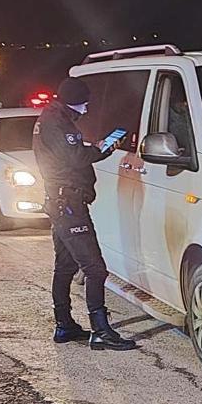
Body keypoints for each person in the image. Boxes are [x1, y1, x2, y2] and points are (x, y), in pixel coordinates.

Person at [32, 76, 137, 351]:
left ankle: (64, 325)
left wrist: (94, 147)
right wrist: (101, 149)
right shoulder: (58, 124)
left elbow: (71, 152)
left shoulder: (52, 118)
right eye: (85, 103)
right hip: (69, 205)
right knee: (95, 269)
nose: (87, 108)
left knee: (65, 266)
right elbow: (75, 157)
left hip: (60, 202)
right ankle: (100, 330)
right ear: (74, 101)